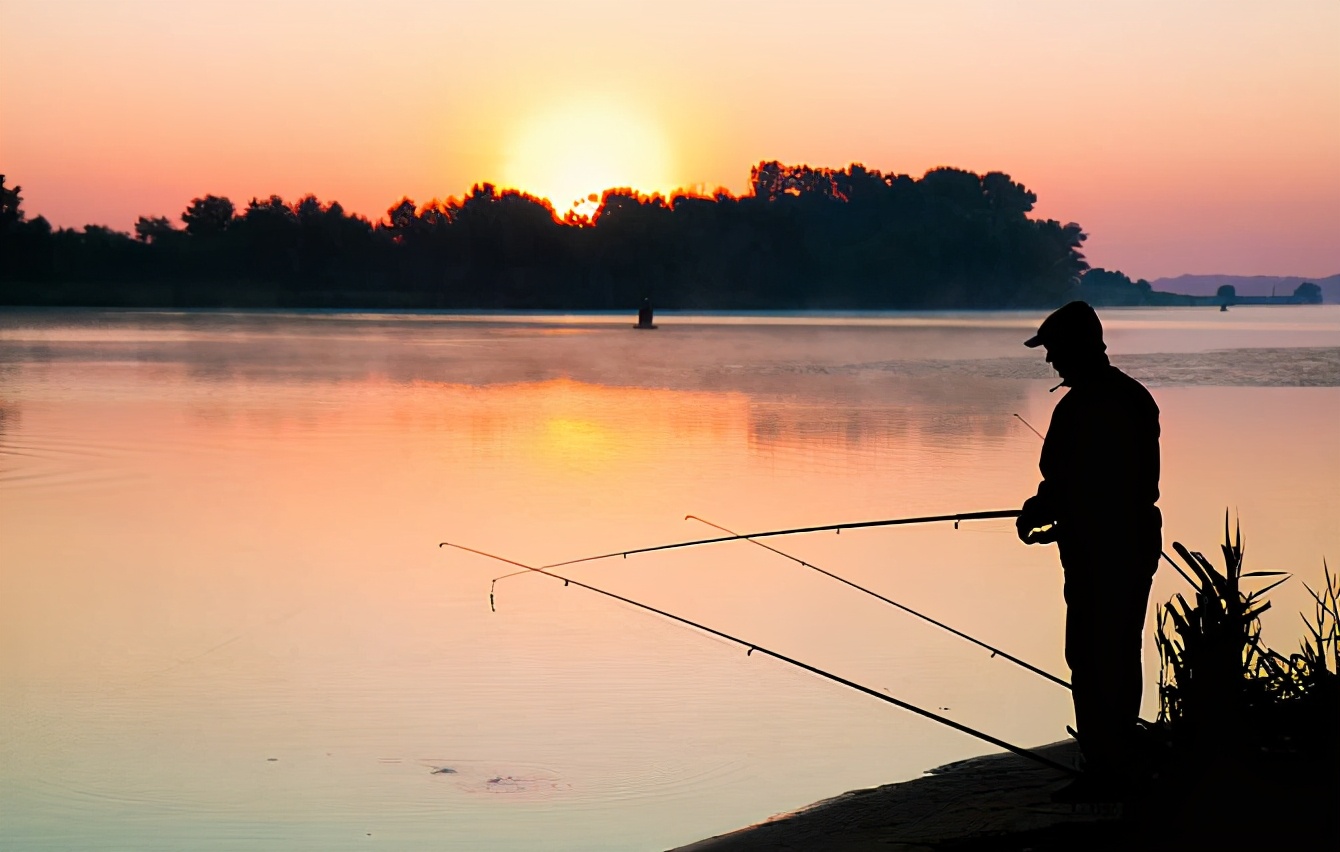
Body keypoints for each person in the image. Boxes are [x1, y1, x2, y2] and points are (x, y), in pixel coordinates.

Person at [1015, 301, 1161, 801]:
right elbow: (1115, 483)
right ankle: (1117, 755)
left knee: (1090, 651)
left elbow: (1073, 480)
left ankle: (1103, 765)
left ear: (1079, 346)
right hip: (1135, 538)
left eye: (1054, 349)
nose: (1050, 360)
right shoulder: (1134, 396)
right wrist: (1058, 513)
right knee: (1120, 646)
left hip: (1101, 548)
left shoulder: (1082, 406)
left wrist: (1040, 509)